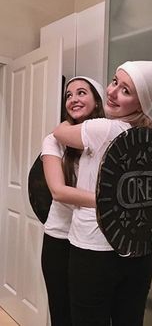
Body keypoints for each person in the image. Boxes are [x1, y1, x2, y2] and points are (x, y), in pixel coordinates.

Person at [53, 57, 152, 326]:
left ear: (140, 102)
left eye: (126, 90)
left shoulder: (104, 127)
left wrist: (69, 121)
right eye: (114, 82)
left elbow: (59, 133)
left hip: (93, 252)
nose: (111, 92)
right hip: (138, 251)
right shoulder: (151, 136)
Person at [41, 76, 104, 326]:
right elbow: (58, 191)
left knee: (90, 315)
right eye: (69, 95)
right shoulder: (53, 140)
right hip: (60, 239)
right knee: (62, 313)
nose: (74, 99)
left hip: (94, 240)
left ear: (96, 100)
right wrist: (112, 204)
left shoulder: (106, 137)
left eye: (81, 93)